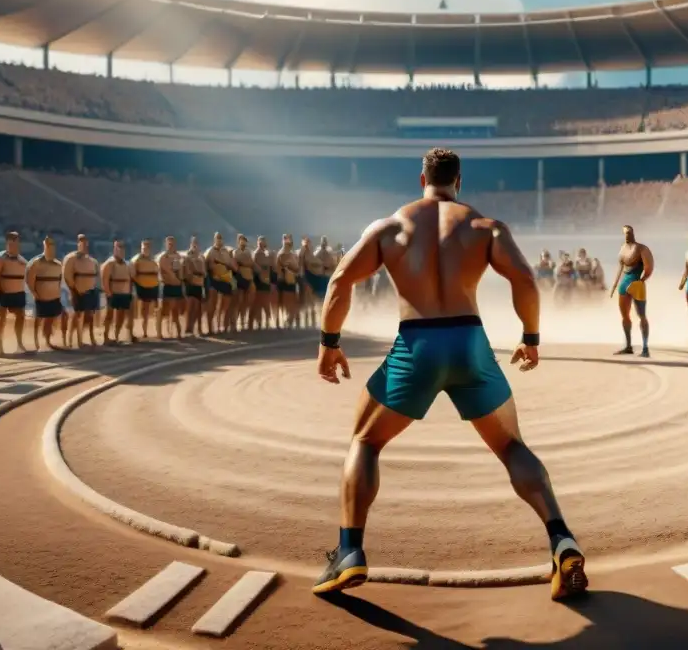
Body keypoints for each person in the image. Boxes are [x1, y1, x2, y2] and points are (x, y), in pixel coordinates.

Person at [312, 148, 586, 602]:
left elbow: (341, 279)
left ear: (421, 178)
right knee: (511, 445)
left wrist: (329, 343)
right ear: (460, 181)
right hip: (469, 343)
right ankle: (562, 540)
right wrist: (531, 337)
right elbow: (525, 281)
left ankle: (349, 552)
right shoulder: (485, 227)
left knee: (365, 440)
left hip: (417, 343)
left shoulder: (389, 227)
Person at [610, 225, 654, 357]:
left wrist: (641, 280)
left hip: (636, 283)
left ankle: (645, 348)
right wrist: (614, 285)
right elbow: (620, 268)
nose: (627, 235)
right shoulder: (623, 248)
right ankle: (628, 346)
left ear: (633, 233)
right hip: (624, 284)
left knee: (642, 315)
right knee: (625, 316)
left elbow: (649, 267)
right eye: (625, 233)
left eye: (629, 233)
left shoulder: (641, 248)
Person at [0, 231, 28, 355]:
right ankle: (0, 346)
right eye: (11, 239)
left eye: (16, 239)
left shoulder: (22, 260)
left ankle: (19, 343)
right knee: (2, 318)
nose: (13, 241)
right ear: (7, 242)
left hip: (18, 293)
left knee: (21, 317)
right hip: (4, 293)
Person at [26, 236, 67, 351]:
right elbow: (30, 281)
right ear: (44, 246)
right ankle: (36, 342)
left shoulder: (58, 264)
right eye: (48, 245)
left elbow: (59, 281)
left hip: (54, 297)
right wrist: (35, 294)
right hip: (41, 297)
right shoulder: (36, 263)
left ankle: (49, 340)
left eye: (52, 245)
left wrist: (58, 293)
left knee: (53, 319)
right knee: (39, 319)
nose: (50, 247)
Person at [62, 234, 100, 348]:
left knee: (89, 316)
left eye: (85, 242)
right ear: (78, 243)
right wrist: (72, 289)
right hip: (76, 290)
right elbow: (67, 275)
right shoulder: (71, 258)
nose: (84, 244)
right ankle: (70, 339)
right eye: (81, 242)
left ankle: (88, 338)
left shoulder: (92, 260)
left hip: (91, 290)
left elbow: (96, 276)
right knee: (76, 315)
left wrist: (96, 288)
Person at [101, 240, 135, 345]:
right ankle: (106, 337)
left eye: (122, 248)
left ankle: (116, 336)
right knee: (109, 315)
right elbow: (105, 279)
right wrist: (108, 293)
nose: (120, 250)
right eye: (118, 247)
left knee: (121, 315)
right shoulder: (109, 263)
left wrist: (130, 292)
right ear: (114, 249)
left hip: (125, 292)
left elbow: (131, 279)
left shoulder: (127, 264)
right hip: (113, 292)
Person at [205, 233, 236, 334]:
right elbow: (205, 265)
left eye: (220, 238)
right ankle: (210, 328)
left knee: (225, 306)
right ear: (214, 240)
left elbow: (232, 266)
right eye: (217, 238)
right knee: (212, 305)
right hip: (214, 280)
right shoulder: (210, 251)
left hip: (225, 279)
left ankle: (223, 327)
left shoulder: (226, 251)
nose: (219, 240)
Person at [131, 239, 160, 340]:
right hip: (140, 287)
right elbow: (132, 273)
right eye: (144, 247)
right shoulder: (136, 259)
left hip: (153, 286)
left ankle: (153, 331)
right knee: (141, 310)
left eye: (147, 247)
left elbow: (157, 272)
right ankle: (141, 332)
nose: (146, 249)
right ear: (141, 248)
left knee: (152, 310)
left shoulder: (153, 259)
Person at [158, 236, 185, 340]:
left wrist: (180, 280)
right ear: (166, 244)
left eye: (172, 243)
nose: (171, 245)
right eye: (169, 244)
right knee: (164, 310)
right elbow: (167, 271)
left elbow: (179, 271)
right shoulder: (163, 257)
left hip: (177, 286)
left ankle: (177, 332)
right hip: (167, 285)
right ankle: (161, 332)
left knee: (175, 310)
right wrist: (176, 279)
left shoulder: (178, 256)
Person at [183, 237, 207, 336]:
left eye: (196, 243)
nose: (195, 245)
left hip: (199, 284)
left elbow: (204, 272)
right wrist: (197, 272)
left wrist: (198, 273)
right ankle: (188, 328)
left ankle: (198, 328)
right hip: (190, 284)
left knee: (198, 308)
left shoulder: (201, 257)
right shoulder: (187, 257)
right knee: (190, 307)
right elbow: (188, 272)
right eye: (193, 243)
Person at [276, 234, 300, 330]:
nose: (288, 242)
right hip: (283, 281)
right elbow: (290, 267)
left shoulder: (292, 254)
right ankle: (281, 322)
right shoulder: (282, 254)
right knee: (282, 303)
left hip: (291, 281)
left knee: (291, 303)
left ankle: (288, 321)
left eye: (289, 240)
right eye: (286, 240)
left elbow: (296, 268)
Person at [232, 234, 255, 332]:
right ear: (238, 241)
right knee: (239, 301)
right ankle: (235, 323)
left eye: (245, 241)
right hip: (240, 278)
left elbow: (251, 263)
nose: (243, 242)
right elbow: (236, 262)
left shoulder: (248, 252)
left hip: (248, 277)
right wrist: (245, 263)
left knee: (246, 302)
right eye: (241, 240)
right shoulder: (235, 252)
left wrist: (244, 263)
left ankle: (242, 322)